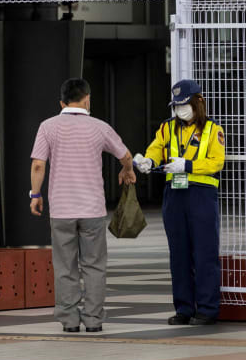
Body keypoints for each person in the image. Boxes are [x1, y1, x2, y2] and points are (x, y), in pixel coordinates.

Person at [29, 78, 136, 333]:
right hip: (92, 211)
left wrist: (35, 194)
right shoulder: (99, 127)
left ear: (61, 102)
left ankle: (69, 321)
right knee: (94, 265)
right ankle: (94, 321)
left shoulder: (48, 126)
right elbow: (126, 155)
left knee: (65, 267)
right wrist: (127, 170)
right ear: (87, 99)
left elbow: (37, 164)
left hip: (61, 211)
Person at [133, 79, 225, 326]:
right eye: (176, 106)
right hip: (174, 194)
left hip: (202, 193)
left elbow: (217, 161)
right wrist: (148, 162)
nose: (180, 110)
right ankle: (183, 308)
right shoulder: (166, 128)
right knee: (179, 254)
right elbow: (155, 148)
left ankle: (207, 309)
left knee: (205, 253)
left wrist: (188, 165)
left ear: (198, 102)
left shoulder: (212, 130)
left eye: (185, 105)